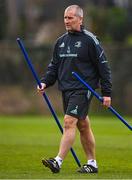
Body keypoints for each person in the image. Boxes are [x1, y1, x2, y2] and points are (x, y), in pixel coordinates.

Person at [37, 4, 112, 174]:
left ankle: (57, 162)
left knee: (69, 122)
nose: (67, 21)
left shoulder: (90, 40)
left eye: (70, 17)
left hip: (83, 89)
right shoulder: (60, 42)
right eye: (65, 17)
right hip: (66, 89)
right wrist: (44, 83)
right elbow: (53, 67)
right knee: (83, 125)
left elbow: (104, 68)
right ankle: (92, 164)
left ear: (80, 19)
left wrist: (106, 93)